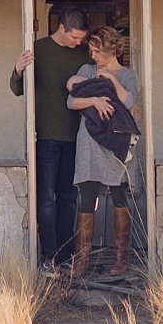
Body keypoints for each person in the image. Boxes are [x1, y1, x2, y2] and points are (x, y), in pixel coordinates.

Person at [10, 5, 90, 266]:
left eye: (81, 38)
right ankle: (48, 256)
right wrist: (18, 70)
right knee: (45, 198)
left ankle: (66, 256)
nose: (78, 43)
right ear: (61, 28)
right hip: (45, 136)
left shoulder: (82, 56)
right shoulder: (38, 50)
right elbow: (16, 90)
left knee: (67, 198)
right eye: (74, 37)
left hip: (77, 136)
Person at [66, 26, 140, 281]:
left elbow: (129, 102)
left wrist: (112, 80)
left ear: (110, 49)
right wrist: (95, 101)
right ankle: (82, 260)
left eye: (97, 51)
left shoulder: (128, 75)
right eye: (91, 51)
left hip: (115, 144)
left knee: (120, 196)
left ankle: (121, 259)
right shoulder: (86, 71)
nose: (93, 56)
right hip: (89, 143)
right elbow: (71, 101)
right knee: (86, 198)